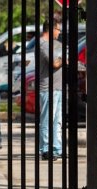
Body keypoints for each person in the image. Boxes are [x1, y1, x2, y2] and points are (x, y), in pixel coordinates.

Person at [37, 14, 64, 161]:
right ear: (51, 29)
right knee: (47, 119)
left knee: (56, 120)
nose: (59, 32)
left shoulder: (52, 45)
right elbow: (55, 63)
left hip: (57, 87)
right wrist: (64, 59)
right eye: (58, 29)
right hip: (48, 88)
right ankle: (46, 149)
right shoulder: (43, 44)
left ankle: (56, 148)